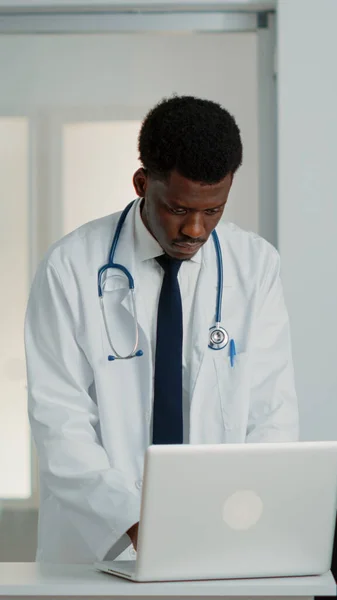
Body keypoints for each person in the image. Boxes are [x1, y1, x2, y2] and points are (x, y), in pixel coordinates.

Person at [25, 95, 298, 564]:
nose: (195, 228)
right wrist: (134, 519)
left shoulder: (255, 267)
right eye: (177, 208)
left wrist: (243, 513)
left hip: (219, 537)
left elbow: (271, 414)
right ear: (141, 183)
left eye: (213, 211)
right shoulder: (70, 267)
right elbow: (59, 419)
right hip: (100, 546)